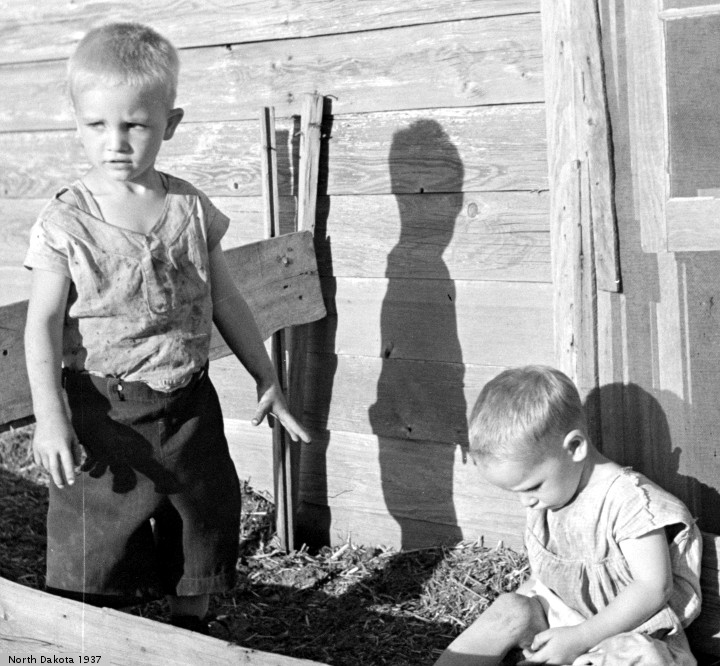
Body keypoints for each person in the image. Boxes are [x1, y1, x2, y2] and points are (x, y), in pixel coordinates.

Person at [23, 22, 310, 633]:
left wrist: (266, 376)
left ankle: (190, 633)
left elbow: (225, 299)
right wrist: (51, 417)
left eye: (135, 125)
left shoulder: (189, 208)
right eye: (97, 125)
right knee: (96, 542)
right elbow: (42, 323)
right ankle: (93, 638)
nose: (116, 142)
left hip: (189, 406)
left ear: (170, 124)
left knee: (201, 517)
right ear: (77, 124)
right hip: (104, 412)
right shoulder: (66, 222)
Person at [434, 366, 702, 666]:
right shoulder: (549, 498)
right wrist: (525, 622)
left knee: (643, 657)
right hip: (565, 627)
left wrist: (579, 638)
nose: (526, 502)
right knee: (510, 608)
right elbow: (543, 581)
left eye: (532, 487)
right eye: (516, 492)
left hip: (628, 635)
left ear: (575, 447)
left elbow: (653, 589)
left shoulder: (630, 502)